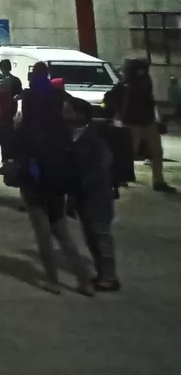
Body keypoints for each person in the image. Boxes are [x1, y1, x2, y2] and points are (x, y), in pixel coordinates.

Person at [18, 62, 93, 295]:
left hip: (36, 180)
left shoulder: (29, 125)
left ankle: (52, 280)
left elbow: (17, 147)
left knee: (42, 232)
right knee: (61, 231)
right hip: (58, 180)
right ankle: (84, 281)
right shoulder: (63, 127)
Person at [65, 96, 120, 292]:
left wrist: (82, 184)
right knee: (90, 236)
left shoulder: (96, 138)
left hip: (97, 195)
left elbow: (100, 168)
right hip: (82, 195)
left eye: (68, 109)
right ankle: (103, 273)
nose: (64, 112)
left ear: (80, 114)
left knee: (101, 236)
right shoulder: (71, 134)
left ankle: (110, 277)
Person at [103, 58, 175, 192]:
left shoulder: (144, 82)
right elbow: (110, 100)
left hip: (147, 122)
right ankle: (120, 177)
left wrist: (157, 118)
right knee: (130, 152)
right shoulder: (125, 85)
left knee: (156, 151)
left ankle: (158, 181)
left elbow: (150, 102)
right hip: (132, 123)